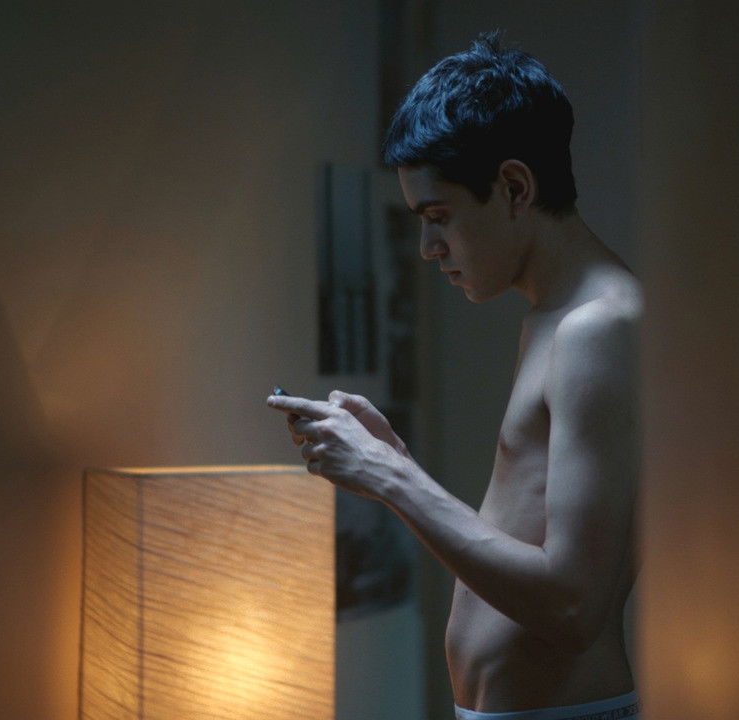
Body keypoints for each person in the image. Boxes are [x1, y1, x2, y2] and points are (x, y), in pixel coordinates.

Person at [267, 32, 642, 720]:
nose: (427, 248)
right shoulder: (555, 318)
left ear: (515, 189)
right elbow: (526, 544)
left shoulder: (598, 327)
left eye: (439, 217)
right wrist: (394, 460)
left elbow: (574, 607)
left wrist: (390, 477)